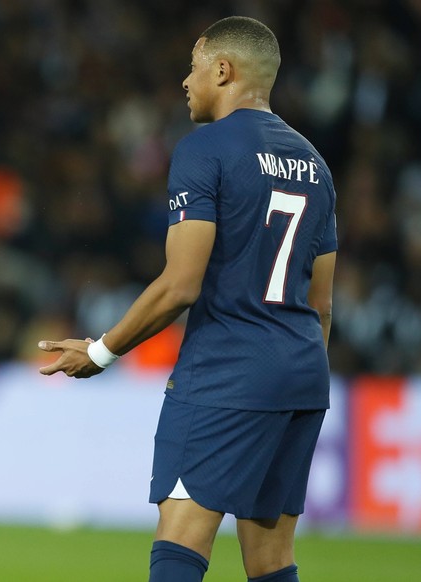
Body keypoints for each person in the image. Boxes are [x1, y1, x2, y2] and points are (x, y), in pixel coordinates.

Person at [38, 16, 336, 582]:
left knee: (181, 540)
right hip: (302, 374)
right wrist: (292, 370)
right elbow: (321, 304)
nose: (185, 81)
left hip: (225, 372)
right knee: (272, 558)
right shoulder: (315, 164)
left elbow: (180, 285)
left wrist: (101, 352)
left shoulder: (207, 149)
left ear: (222, 70)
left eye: (194, 67)